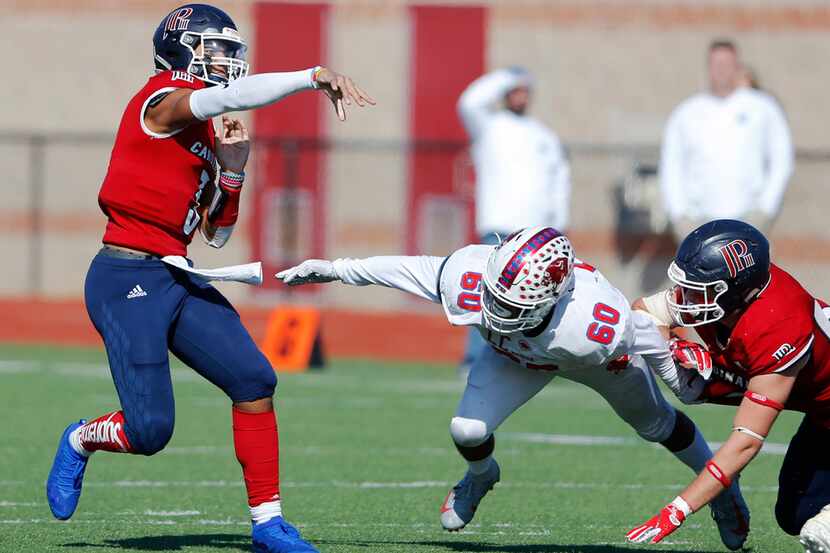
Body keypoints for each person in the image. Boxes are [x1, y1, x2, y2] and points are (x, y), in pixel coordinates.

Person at [45, 5, 374, 553]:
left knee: (254, 380)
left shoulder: (199, 130)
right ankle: (81, 437)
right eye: (216, 48)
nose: (227, 60)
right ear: (182, 49)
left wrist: (234, 167)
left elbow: (216, 233)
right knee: (150, 432)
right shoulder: (161, 101)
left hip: (175, 272)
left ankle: (268, 522)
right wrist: (310, 76)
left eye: (229, 50)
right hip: (125, 276)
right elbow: (225, 97)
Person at [277, 226, 749, 550]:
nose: (495, 310)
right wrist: (337, 268)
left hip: (595, 363)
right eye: (494, 298)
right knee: (466, 429)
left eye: (510, 303)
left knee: (658, 424)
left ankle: (721, 488)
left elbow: (645, 333)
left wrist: (679, 382)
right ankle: (481, 476)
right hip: (516, 356)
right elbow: (405, 270)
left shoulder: (597, 325)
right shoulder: (472, 274)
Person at [625, 220, 830, 553]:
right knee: (795, 515)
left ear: (736, 291)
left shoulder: (779, 326)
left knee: (821, 531)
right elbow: (643, 312)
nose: (684, 297)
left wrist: (679, 508)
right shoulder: (732, 297)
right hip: (822, 412)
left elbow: (746, 443)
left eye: (699, 289)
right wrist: (674, 345)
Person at [456, 67, 571, 374]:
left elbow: (559, 179)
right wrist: (508, 75)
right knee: (486, 298)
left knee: (538, 302)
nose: (520, 96)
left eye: (524, 90)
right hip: (498, 226)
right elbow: (469, 101)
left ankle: (531, 362)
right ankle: (474, 360)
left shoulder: (543, 134)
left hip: (536, 235)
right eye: (514, 89)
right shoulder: (488, 125)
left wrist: (558, 223)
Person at [659, 40, 793, 241]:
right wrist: (679, 215)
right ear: (708, 67)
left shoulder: (762, 107)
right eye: (716, 64)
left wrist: (765, 208)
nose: (721, 70)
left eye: (727, 64)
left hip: (749, 220)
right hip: (698, 221)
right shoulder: (686, 112)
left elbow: (782, 158)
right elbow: (671, 165)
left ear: (737, 67)